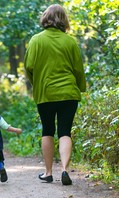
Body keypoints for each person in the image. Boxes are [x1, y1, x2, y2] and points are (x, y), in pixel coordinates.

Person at [24, 4, 86, 185]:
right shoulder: (70, 41)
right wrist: (81, 87)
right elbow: (78, 69)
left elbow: (29, 67)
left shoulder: (36, 40)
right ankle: (65, 170)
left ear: (45, 18)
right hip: (68, 93)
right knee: (65, 131)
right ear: (63, 20)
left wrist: (37, 84)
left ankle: (48, 172)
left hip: (46, 93)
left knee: (48, 130)